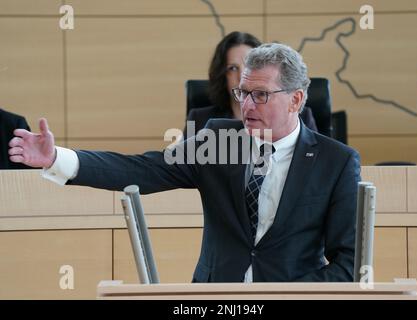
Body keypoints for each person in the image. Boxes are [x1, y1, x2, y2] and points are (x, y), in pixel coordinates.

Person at [9, 43, 360, 282]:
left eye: (261, 95)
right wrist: (57, 159)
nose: (247, 106)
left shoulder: (336, 162)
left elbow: (348, 264)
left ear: (296, 99)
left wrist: (281, 295)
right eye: (243, 93)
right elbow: (142, 169)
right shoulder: (218, 140)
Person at [184, 31, 318, 138]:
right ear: (222, 74)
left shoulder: (299, 118)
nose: (243, 74)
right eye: (233, 68)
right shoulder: (202, 121)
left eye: (249, 66)